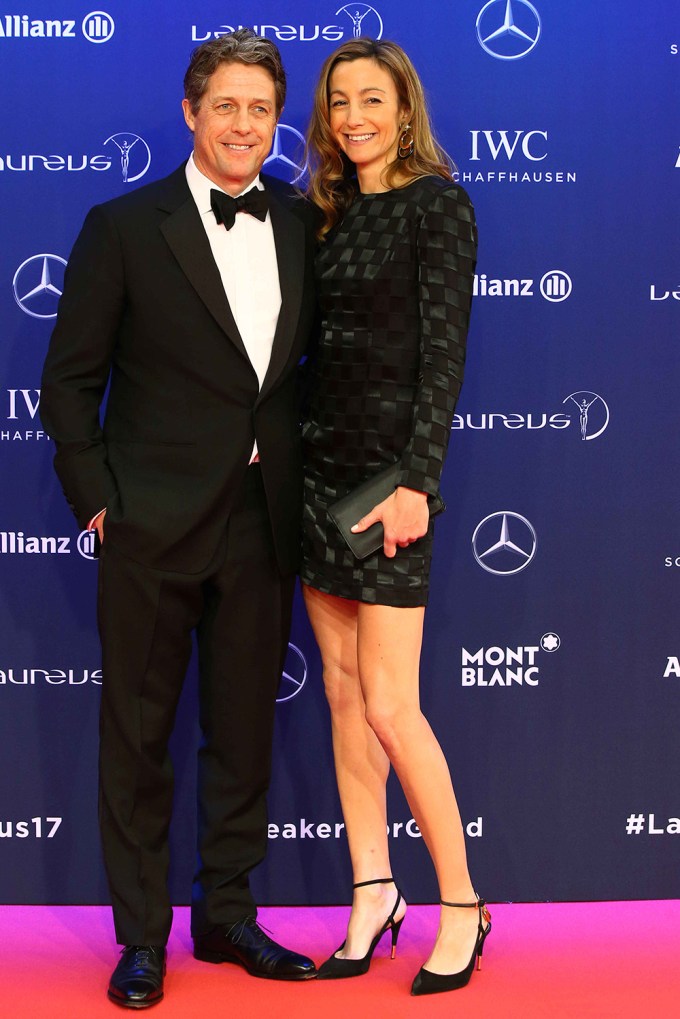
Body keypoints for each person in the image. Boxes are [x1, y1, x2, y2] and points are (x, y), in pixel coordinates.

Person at [40, 29, 318, 1009]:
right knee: (138, 736)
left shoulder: (298, 218)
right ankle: (143, 936)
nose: (244, 124)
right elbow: (68, 381)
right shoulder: (122, 224)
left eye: (260, 109)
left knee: (243, 732)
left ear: (274, 122)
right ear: (192, 111)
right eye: (227, 105)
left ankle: (229, 914)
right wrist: (100, 503)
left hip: (260, 519)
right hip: (149, 524)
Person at [301, 38, 488, 996]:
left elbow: (443, 354)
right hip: (314, 471)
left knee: (389, 702)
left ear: (404, 107)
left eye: (371, 99)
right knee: (339, 693)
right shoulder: (324, 213)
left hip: (387, 484)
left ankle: (462, 902)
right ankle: (374, 891)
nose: (354, 117)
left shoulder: (439, 205)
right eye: (339, 102)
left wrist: (418, 477)